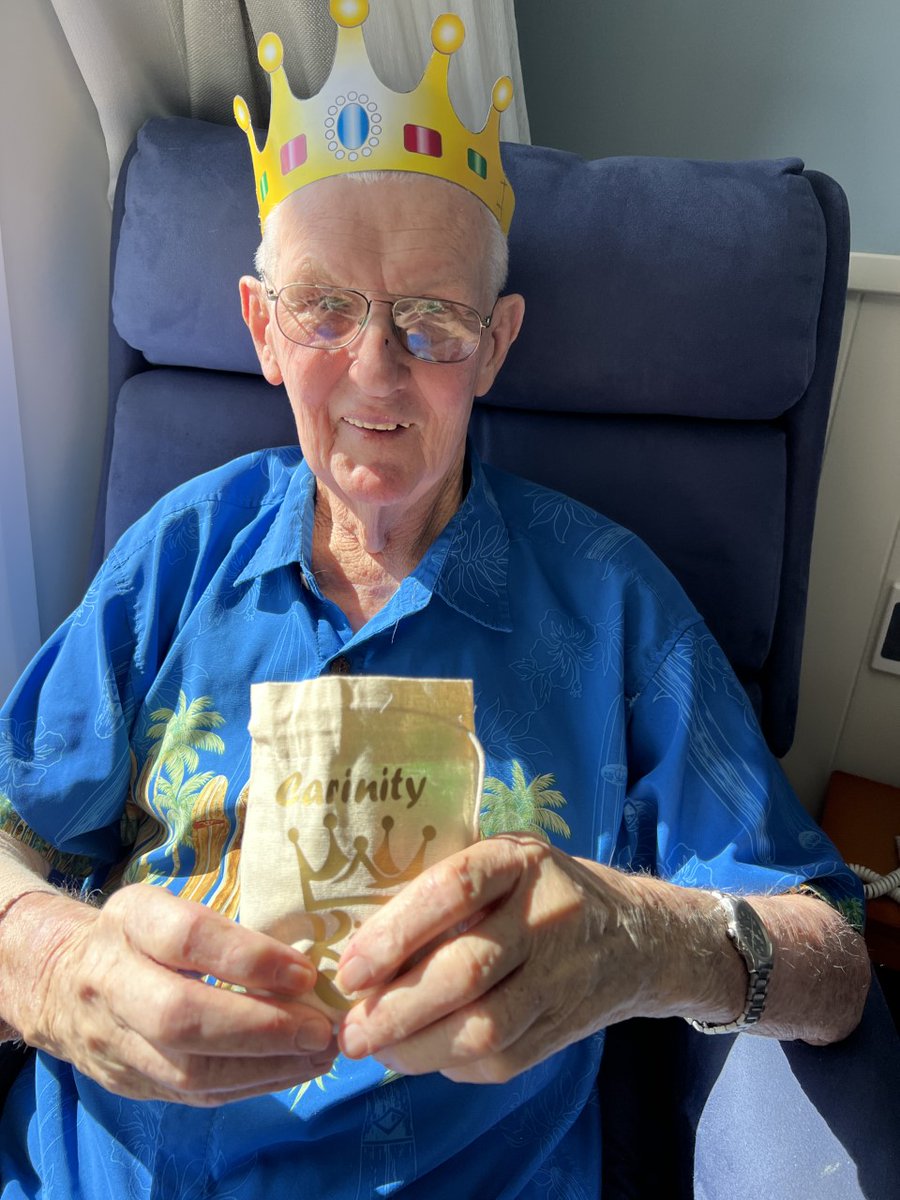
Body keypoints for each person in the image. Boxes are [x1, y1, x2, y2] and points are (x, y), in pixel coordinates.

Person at [0, 4, 870, 1197]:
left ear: (497, 345)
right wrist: (50, 968)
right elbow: (12, 822)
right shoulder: (180, 549)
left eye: (433, 319)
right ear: (261, 330)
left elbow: (834, 953)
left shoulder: (610, 600)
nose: (376, 371)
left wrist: (640, 940)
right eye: (323, 309)